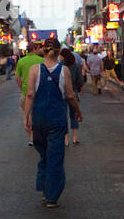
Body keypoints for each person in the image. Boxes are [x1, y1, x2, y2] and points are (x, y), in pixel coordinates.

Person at [25, 38, 82, 207]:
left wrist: (26, 116)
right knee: (55, 157)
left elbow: (30, 94)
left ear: (43, 50)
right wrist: (78, 111)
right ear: (59, 52)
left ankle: (44, 188)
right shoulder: (64, 70)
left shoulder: (35, 69)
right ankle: (51, 196)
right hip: (56, 119)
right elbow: (70, 96)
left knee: (44, 154)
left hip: (39, 119)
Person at [59, 47, 83, 146]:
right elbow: (80, 80)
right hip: (73, 93)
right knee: (74, 115)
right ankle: (74, 137)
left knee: (63, 116)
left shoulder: (60, 67)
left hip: (62, 94)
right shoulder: (75, 66)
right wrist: (77, 87)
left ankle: (65, 139)